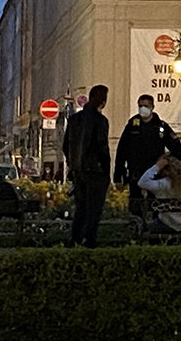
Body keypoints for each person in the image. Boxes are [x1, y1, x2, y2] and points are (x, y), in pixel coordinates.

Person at [63, 84, 111, 247]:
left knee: (81, 209)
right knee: (94, 210)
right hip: (95, 171)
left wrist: (73, 164)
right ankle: (89, 241)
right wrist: (106, 171)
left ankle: (75, 239)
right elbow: (102, 147)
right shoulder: (101, 120)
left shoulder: (74, 119)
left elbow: (65, 146)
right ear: (103, 102)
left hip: (78, 171)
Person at [114, 93, 181, 202]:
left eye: (146, 106)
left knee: (154, 201)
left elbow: (177, 149)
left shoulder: (160, 126)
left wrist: (166, 162)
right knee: (135, 200)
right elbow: (122, 150)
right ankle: (136, 217)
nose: (143, 109)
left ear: (152, 107)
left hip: (154, 170)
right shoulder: (132, 126)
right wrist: (118, 174)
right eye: (140, 106)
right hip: (135, 169)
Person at [138, 154, 181, 232]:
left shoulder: (166, 184)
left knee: (148, 227)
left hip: (170, 224)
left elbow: (142, 182)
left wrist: (157, 166)